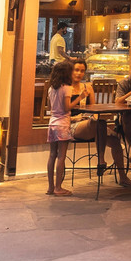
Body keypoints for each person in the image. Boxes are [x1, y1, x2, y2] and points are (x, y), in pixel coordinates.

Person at [68, 60, 131, 186]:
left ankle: (123, 177)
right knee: (99, 124)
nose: (79, 73)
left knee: (115, 141)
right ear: (70, 71)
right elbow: (60, 112)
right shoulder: (65, 89)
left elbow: (94, 109)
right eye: (76, 70)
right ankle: (101, 160)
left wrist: (93, 117)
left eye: (82, 71)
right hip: (73, 125)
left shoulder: (87, 87)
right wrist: (75, 118)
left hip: (91, 124)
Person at [45, 61, 74, 196]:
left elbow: (50, 107)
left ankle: (50, 187)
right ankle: (58, 188)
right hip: (63, 124)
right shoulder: (67, 88)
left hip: (52, 124)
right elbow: (67, 108)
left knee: (52, 155)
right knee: (61, 156)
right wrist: (80, 97)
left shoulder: (51, 88)